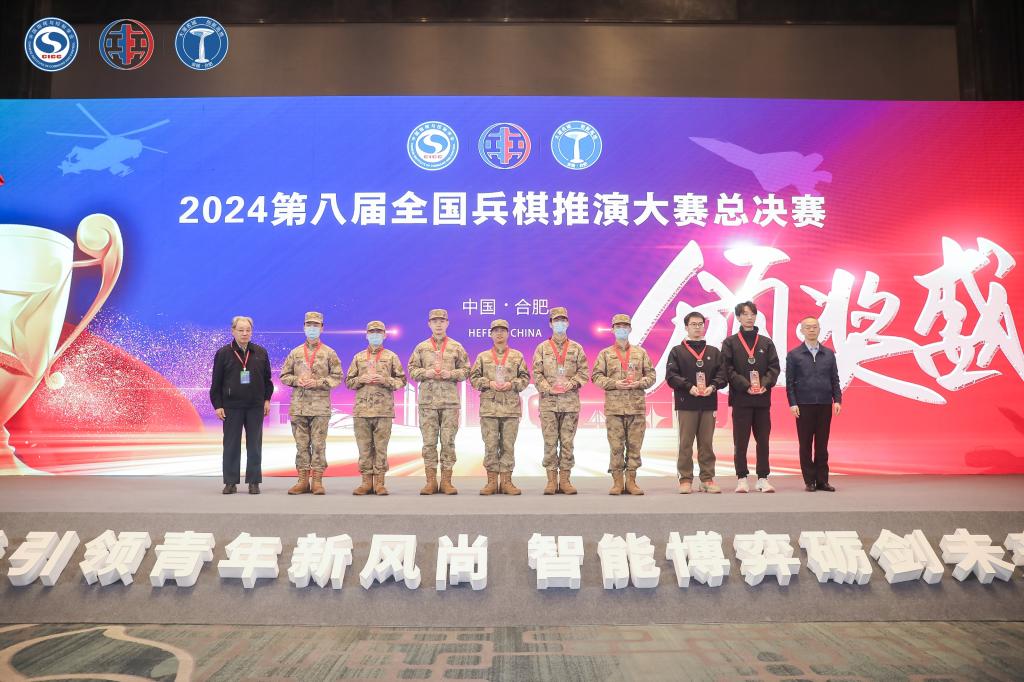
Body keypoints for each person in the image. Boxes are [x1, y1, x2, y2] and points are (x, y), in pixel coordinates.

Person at [591, 313, 656, 496]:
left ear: (630, 329)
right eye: (618, 327)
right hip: (614, 409)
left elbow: (651, 376)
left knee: (635, 446)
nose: (621, 329)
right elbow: (596, 376)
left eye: (625, 326)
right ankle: (617, 482)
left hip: (636, 407)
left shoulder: (640, 353)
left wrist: (639, 383)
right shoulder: (605, 354)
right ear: (612, 330)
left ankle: (632, 481)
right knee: (616, 447)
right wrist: (614, 383)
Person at [279, 311, 343, 495]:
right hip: (298, 407)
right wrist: (296, 380)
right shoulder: (295, 352)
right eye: (309, 325)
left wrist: (318, 382)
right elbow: (284, 375)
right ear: (304, 327)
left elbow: (338, 377)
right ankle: (302, 481)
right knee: (301, 445)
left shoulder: (329, 353)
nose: (312, 328)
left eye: (316, 325)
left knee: (319, 445)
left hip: (320, 408)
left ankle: (317, 481)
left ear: (322, 328)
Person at [407, 308, 469, 495]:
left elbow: (467, 370)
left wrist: (452, 374)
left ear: (447, 323)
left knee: (448, 442)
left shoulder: (456, 347)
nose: (439, 324)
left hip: (450, 403)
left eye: (442, 321)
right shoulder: (421, 347)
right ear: (429, 324)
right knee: (429, 443)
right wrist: (425, 372)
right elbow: (411, 369)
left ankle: (447, 482)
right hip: (428, 403)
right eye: (435, 321)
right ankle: (431, 482)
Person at [665, 311, 728, 494]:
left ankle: (707, 479)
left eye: (700, 324)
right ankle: (685, 479)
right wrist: (688, 387)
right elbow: (671, 376)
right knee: (685, 443)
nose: (697, 327)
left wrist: (713, 386)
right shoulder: (677, 351)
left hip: (708, 403)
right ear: (686, 327)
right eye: (693, 324)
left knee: (706, 443)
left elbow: (722, 375)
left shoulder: (713, 352)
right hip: (686, 403)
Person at [721, 300, 781, 493]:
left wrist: (764, 384)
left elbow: (774, 368)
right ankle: (742, 478)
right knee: (741, 441)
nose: (749, 317)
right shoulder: (730, 343)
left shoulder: (766, 342)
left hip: (762, 399)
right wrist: (746, 386)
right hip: (741, 399)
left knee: (763, 440)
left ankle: (763, 478)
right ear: (738, 317)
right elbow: (727, 369)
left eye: (752, 314)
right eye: (745, 314)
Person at [210, 316, 273, 495]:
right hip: (231, 407)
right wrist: (218, 405)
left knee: (254, 446)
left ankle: (254, 481)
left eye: (248, 330)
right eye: (240, 330)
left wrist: (267, 400)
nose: (244, 333)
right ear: (233, 331)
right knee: (231, 445)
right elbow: (216, 382)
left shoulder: (260, 352)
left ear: (251, 332)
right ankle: (230, 482)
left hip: (255, 406)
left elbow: (268, 380)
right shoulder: (223, 353)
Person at [345, 320, 407, 496]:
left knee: (381, 448)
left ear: (385, 335)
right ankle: (366, 483)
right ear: (366, 335)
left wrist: (386, 380)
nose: (375, 335)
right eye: (372, 332)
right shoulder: (358, 357)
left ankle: (379, 483)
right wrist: (360, 380)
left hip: (383, 411)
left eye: (379, 332)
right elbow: (348, 382)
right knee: (364, 448)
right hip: (362, 411)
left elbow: (402, 380)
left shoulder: (391, 357)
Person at [469, 319, 531, 495]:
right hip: (489, 408)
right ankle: (491, 482)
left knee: (508, 445)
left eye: (503, 330)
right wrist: (488, 383)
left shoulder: (517, 356)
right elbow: (473, 378)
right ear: (490, 334)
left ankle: (506, 482)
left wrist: (512, 384)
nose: (499, 333)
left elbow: (525, 378)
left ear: (508, 333)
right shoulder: (483, 357)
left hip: (510, 408)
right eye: (496, 330)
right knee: (490, 445)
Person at [531, 306, 589, 495]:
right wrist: (549, 388)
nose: (560, 323)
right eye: (556, 320)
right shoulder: (542, 348)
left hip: (570, 403)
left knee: (567, 442)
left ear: (568, 323)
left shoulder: (576, 348)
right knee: (549, 442)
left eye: (563, 320)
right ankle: (551, 481)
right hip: (548, 403)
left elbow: (584, 373)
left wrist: (571, 384)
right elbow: (536, 374)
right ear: (550, 324)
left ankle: (565, 480)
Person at [786, 316, 842, 492]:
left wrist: (837, 399)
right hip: (803, 405)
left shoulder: (829, 354)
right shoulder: (794, 355)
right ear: (802, 330)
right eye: (808, 327)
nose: (811, 330)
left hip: (824, 404)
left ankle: (822, 480)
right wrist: (792, 403)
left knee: (822, 445)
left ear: (819, 329)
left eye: (815, 327)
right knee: (805, 444)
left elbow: (835, 379)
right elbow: (789, 382)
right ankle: (809, 480)